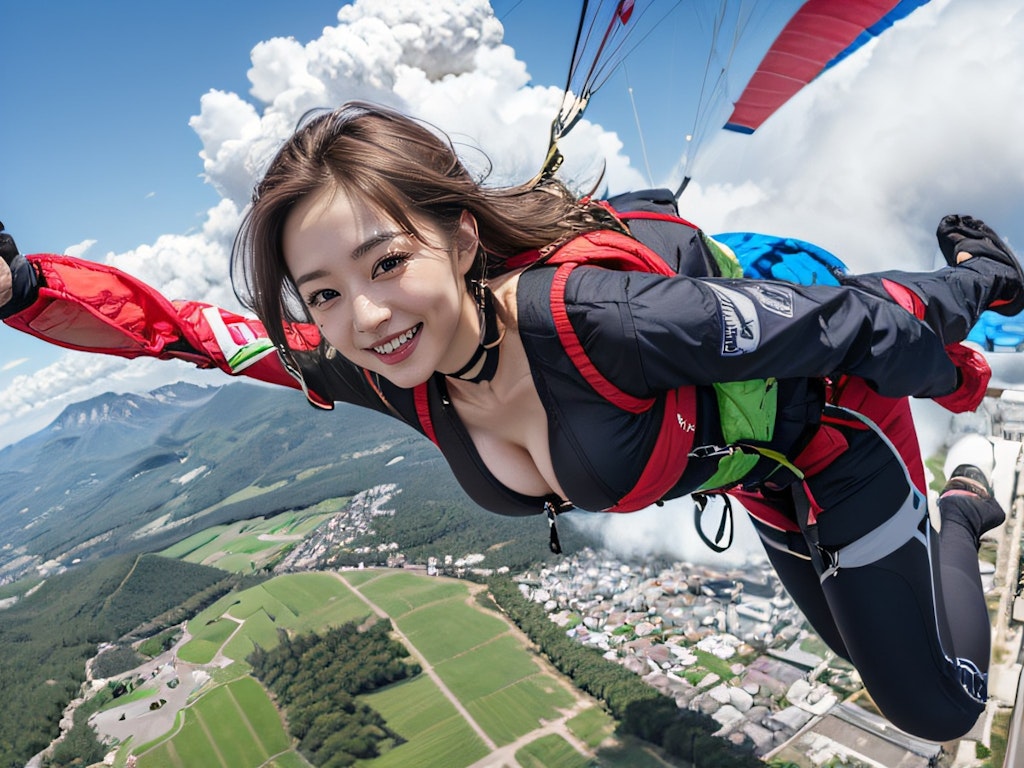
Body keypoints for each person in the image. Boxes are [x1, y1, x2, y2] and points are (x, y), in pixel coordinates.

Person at [1, 101, 1019, 741]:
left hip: (834, 442)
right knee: (862, 647)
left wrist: (973, 309)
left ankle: (965, 509)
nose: (364, 319)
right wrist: (25, 286)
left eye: (385, 264)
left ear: (456, 233)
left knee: (935, 707)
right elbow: (187, 332)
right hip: (749, 471)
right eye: (321, 295)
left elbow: (854, 321)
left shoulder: (608, 320)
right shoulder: (393, 372)